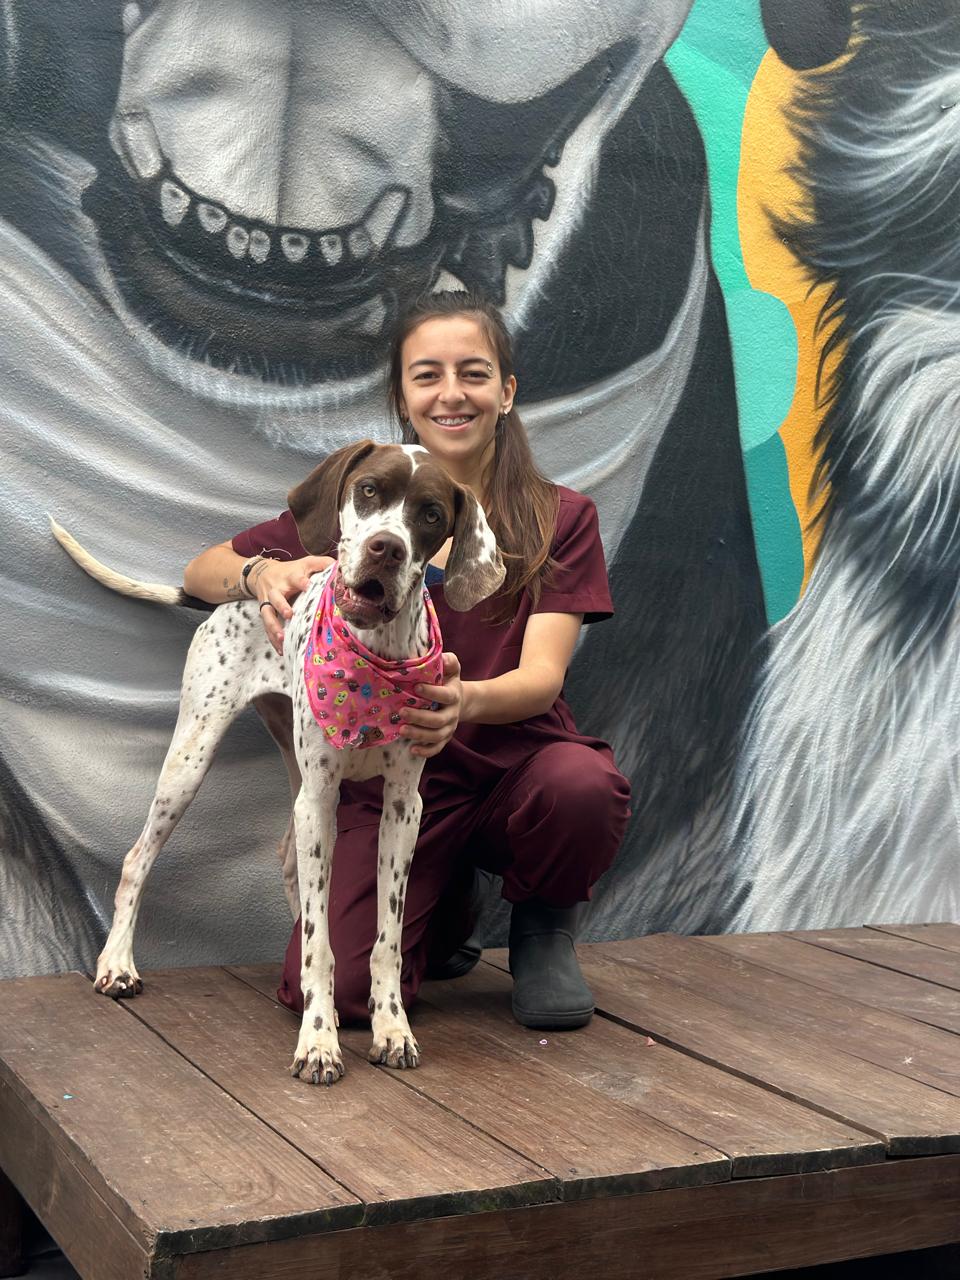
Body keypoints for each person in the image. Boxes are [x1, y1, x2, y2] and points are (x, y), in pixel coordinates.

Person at [183, 290, 630, 1029]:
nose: (451, 393)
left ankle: (544, 933)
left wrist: (461, 703)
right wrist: (262, 574)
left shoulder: (560, 517)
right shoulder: (365, 500)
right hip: (390, 778)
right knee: (340, 993)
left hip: (516, 766)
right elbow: (202, 571)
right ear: (403, 396)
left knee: (581, 786)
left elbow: (542, 678)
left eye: (473, 373)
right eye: (427, 375)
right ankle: (443, 905)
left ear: (506, 392)